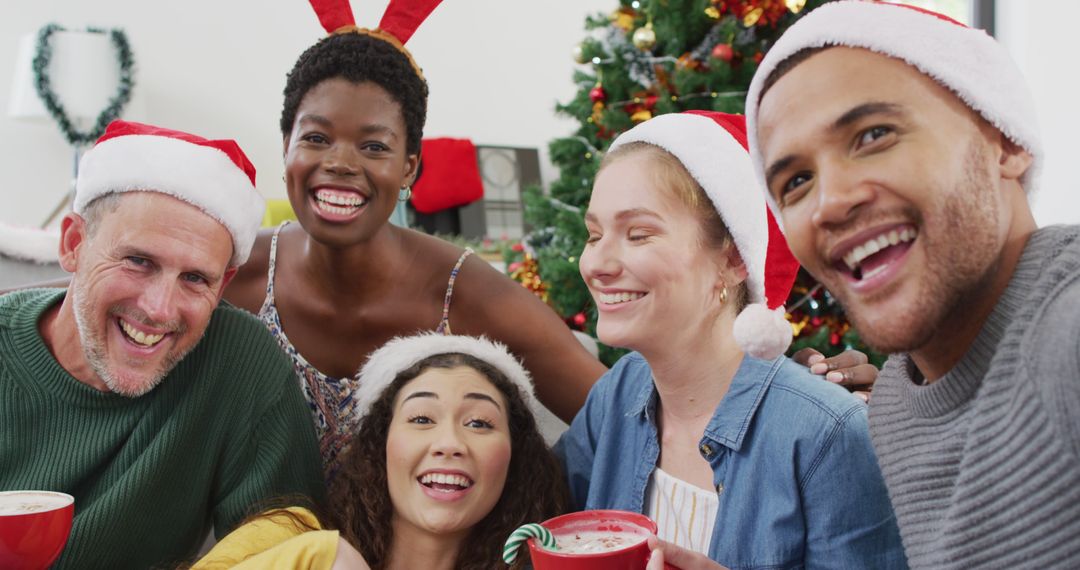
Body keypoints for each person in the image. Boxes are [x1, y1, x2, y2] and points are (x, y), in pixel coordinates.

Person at [745, 2, 1080, 568]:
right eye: (796, 181)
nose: (829, 202)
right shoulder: (896, 399)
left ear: (1006, 141)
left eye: (874, 134)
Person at [219, 0, 607, 478]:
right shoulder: (232, 270)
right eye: (316, 138)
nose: (340, 163)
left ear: (409, 167)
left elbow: (620, 419)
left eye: (374, 146)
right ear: (286, 147)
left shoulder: (463, 292)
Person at [557, 111, 906, 569]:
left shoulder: (826, 434)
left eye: (638, 234)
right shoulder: (617, 395)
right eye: (594, 235)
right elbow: (531, 512)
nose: (596, 263)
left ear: (734, 259)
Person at [0, 120, 324, 569]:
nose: (158, 309)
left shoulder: (238, 363)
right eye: (138, 261)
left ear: (224, 283)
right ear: (74, 243)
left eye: (195, 279)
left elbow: (289, 547)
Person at [193, 333, 567, 569]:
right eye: (421, 418)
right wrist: (318, 558)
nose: (450, 444)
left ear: (515, 456)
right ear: (379, 443)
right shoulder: (285, 536)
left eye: (479, 423)